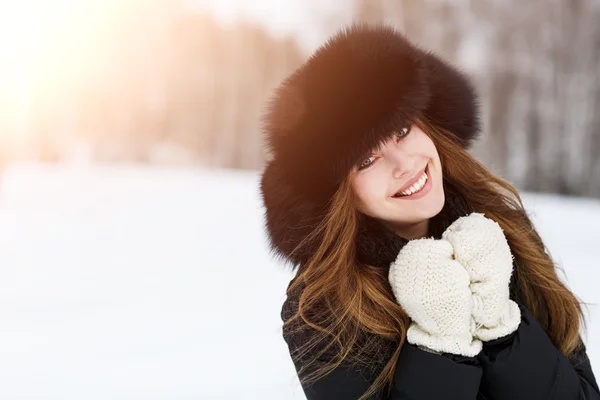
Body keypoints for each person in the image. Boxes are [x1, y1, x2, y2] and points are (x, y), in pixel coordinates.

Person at [259, 24, 600, 400]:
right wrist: (440, 345)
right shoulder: (323, 307)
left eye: (403, 130)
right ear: (339, 193)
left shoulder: (502, 229)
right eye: (367, 159)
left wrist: (503, 328)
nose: (404, 164)